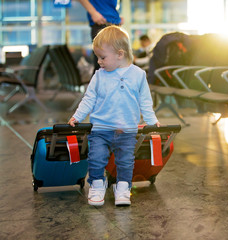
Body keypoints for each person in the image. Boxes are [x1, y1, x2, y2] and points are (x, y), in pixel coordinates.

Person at [68, 25, 160, 207]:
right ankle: (96, 185)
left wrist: (151, 121)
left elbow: (145, 101)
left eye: (102, 57)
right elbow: (89, 98)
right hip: (101, 129)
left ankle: (123, 188)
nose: (99, 62)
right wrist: (77, 116)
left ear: (120, 54)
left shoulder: (138, 75)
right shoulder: (99, 76)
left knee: (125, 162)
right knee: (96, 159)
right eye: (98, 58)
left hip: (126, 130)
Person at [78, 0, 123, 71]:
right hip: (102, 23)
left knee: (116, 64)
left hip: (114, 23)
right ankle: (96, 82)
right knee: (103, 65)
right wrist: (93, 13)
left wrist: (117, 16)